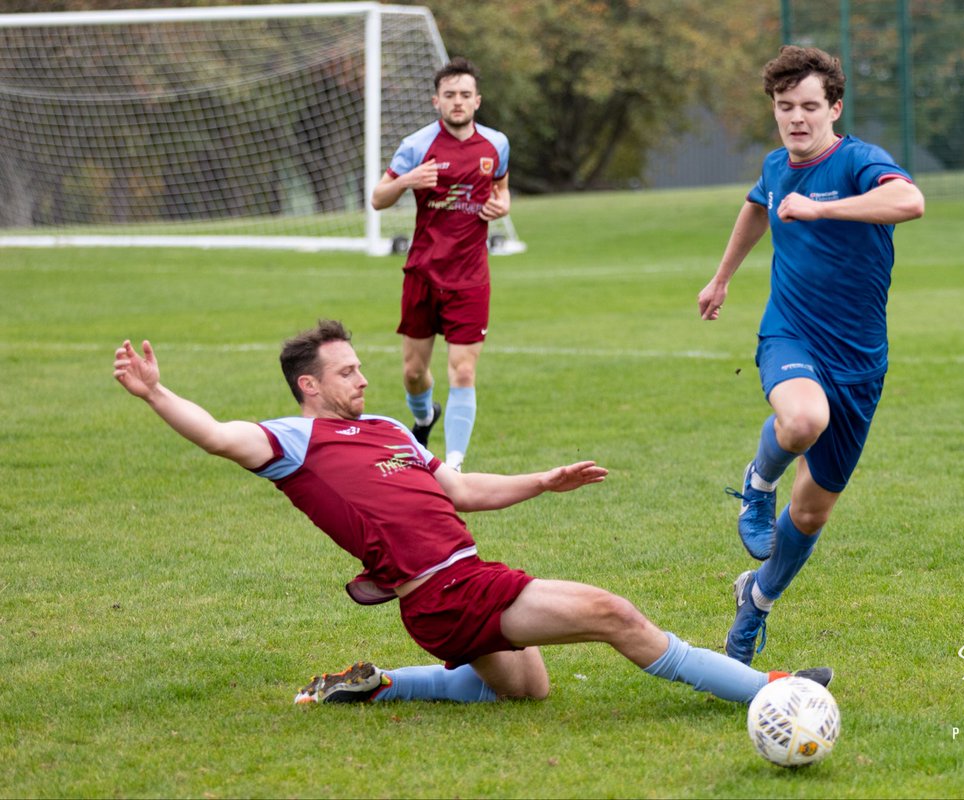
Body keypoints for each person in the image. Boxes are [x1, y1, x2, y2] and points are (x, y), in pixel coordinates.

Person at [112, 320, 832, 706]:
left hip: (457, 586)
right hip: (444, 589)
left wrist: (542, 482)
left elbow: (460, 491)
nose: (364, 376)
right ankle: (771, 690)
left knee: (526, 690)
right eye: (347, 371)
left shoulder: (392, 429)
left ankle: (381, 684)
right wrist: (155, 393)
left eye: (361, 366)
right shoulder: (290, 441)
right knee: (616, 616)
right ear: (310, 385)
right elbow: (214, 435)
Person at [697, 46, 925, 666]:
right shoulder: (776, 167)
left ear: (834, 107)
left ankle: (756, 605)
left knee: (812, 511)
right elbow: (756, 208)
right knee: (801, 421)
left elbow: (910, 202)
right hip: (790, 335)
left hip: (859, 362)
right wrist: (721, 279)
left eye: (808, 106)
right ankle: (756, 482)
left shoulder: (859, 161)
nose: (796, 118)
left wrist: (822, 208)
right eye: (784, 106)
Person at [370, 57, 511, 471]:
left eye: (465, 95)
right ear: (437, 101)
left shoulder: (496, 145)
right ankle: (423, 416)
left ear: (477, 101)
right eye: (449, 95)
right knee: (414, 372)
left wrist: (501, 207)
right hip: (422, 272)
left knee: (463, 370)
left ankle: (453, 464)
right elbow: (379, 198)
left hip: (470, 276)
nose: (458, 102)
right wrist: (405, 181)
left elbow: (502, 192)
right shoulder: (416, 145)